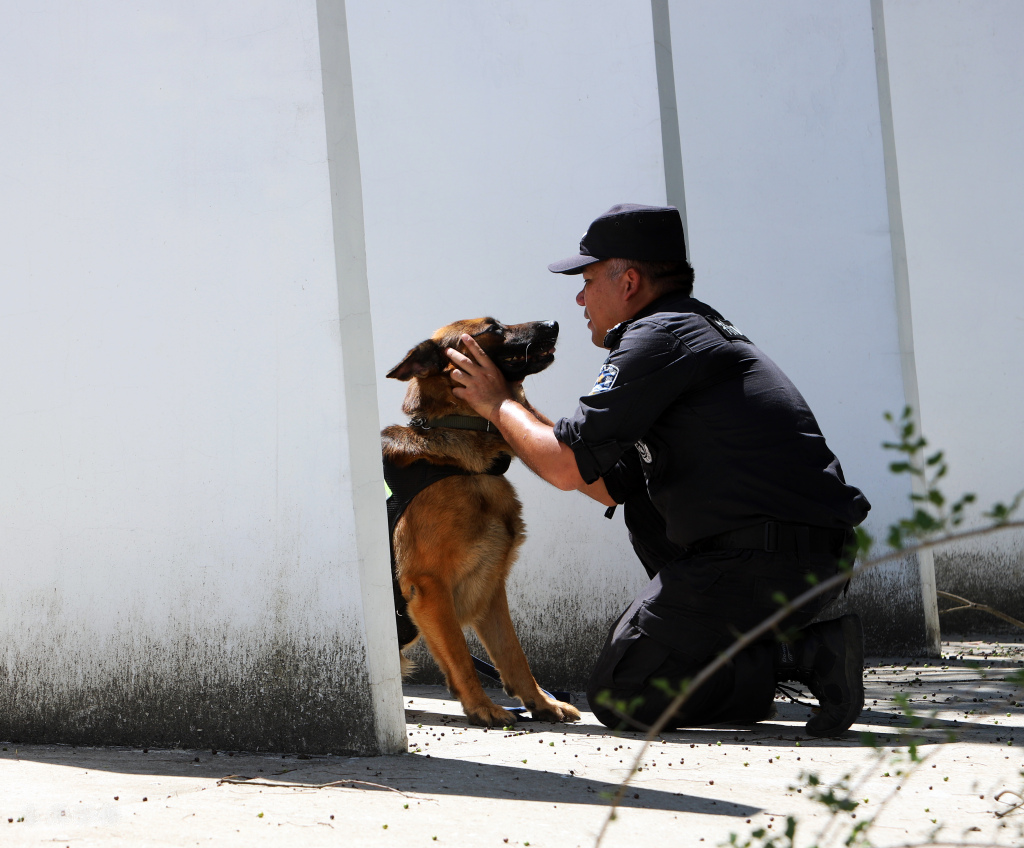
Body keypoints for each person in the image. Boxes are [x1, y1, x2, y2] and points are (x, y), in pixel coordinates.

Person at [446, 203, 871, 736]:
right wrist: (512, 403)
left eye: (588, 279)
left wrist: (495, 404)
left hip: (765, 558)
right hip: (795, 552)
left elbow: (562, 467)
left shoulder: (658, 338)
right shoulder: (686, 328)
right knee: (639, 505)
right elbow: (601, 483)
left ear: (627, 282)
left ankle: (803, 655)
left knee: (624, 696)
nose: (580, 297)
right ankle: (750, 654)